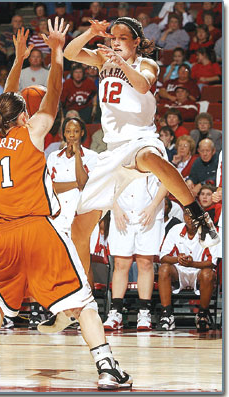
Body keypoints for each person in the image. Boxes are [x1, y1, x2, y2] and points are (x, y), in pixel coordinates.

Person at [0, 21, 132, 390]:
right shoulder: (33, 132)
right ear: (24, 115)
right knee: (83, 300)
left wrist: (20, 59)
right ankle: (106, 366)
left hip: (3, 234)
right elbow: (54, 94)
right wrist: (56, 53)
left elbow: (6, 99)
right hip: (39, 228)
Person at [63, 17, 219, 293]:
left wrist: (120, 63)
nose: (116, 42)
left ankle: (195, 211)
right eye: (113, 37)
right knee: (79, 225)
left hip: (140, 137)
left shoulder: (146, 64)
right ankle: (79, 293)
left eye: (122, 38)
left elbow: (143, 85)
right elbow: (69, 53)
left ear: (136, 41)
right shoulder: (103, 59)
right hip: (112, 151)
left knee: (149, 158)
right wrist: (90, 32)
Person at [103, 177, 166, 331]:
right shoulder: (117, 153)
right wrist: (115, 208)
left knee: (145, 263)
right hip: (121, 214)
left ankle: (144, 312)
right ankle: (115, 313)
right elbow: (108, 182)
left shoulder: (156, 152)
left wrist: (153, 206)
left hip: (148, 214)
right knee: (120, 263)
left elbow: (167, 181)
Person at [157, 210, 218, 332]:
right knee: (164, 268)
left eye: (194, 215)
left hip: (199, 272)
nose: (190, 219)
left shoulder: (210, 231)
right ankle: (167, 315)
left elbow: (212, 263)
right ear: (183, 216)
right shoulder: (175, 229)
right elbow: (163, 257)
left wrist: (192, 263)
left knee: (208, 273)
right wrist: (178, 259)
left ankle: (202, 314)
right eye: (187, 215)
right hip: (179, 271)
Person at [47, 116, 98, 237]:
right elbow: (50, 188)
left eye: (75, 131)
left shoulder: (93, 157)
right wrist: (76, 184)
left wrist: (78, 155)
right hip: (57, 218)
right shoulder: (53, 157)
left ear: (82, 133)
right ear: (63, 133)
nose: (71, 135)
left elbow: (85, 185)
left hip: (80, 217)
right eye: (68, 131)